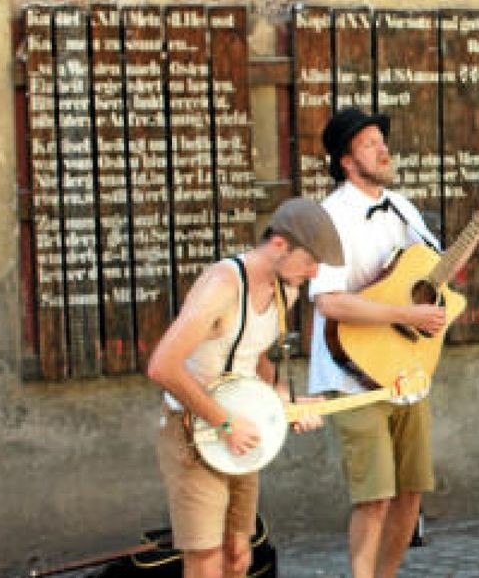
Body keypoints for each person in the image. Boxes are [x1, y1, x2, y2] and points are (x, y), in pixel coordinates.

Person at [308, 108, 479, 578]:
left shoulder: (402, 207)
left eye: (382, 140)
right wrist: (405, 313)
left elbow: (438, 273)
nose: (383, 149)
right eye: (368, 144)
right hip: (353, 371)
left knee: (411, 492)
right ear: (345, 161)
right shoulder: (331, 217)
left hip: (407, 368)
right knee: (373, 497)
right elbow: (330, 304)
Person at [147, 197, 344, 578]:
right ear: (279, 245)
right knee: (205, 558)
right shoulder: (222, 285)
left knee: (239, 551)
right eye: (310, 260)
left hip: (240, 426)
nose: (316, 272)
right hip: (194, 429)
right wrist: (225, 423)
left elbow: (252, 357)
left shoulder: (284, 289)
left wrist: (285, 400)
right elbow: (163, 366)